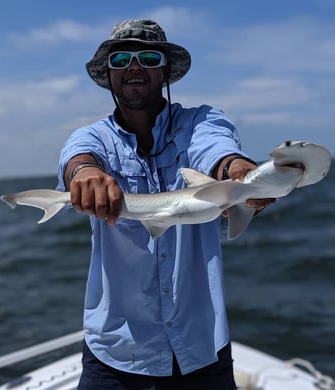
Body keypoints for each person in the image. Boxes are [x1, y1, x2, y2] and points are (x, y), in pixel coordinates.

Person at [57, 19, 273, 390]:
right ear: (109, 75)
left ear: (166, 70)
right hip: (117, 348)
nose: (134, 67)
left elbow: (216, 148)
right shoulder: (93, 136)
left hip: (201, 346)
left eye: (148, 57)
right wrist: (83, 173)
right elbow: (76, 157)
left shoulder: (201, 122)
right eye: (121, 59)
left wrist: (237, 173)